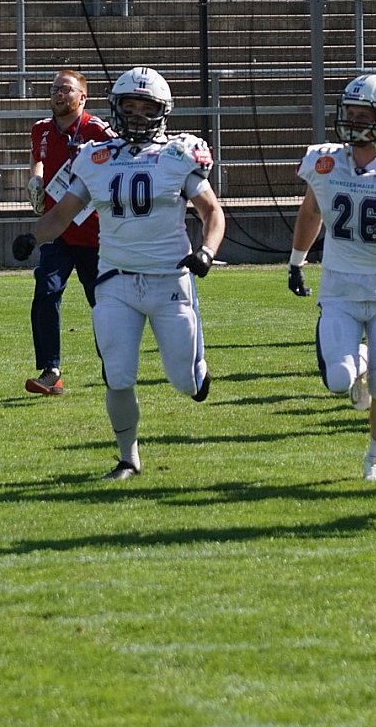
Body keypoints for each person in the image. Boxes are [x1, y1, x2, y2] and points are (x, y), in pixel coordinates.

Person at [12, 66, 225, 478]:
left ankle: (197, 373)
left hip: (168, 279)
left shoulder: (178, 155)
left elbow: (212, 212)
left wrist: (207, 251)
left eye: (147, 109)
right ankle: (128, 458)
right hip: (115, 280)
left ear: (163, 112)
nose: (137, 116)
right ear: (116, 109)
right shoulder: (97, 157)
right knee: (118, 373)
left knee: (184, 382)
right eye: (129, 108)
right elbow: (62, 215)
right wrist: (33, 237)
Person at [288, 74, 376, 480]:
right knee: (338, 380)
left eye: (363, 114)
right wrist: (297, 261)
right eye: (349, 112)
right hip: (340, 289)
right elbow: (311, 211)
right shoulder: (324, 161)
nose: (352, 121)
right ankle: (362, 362)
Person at [24, 70, 114, 396]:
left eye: (66, 89)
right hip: (57, 229)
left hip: (95, 234)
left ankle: (112, 363)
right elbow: (38, 157)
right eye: (54, 90)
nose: (59, 94)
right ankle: (51, 371)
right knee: (45, 293)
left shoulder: (99, 130)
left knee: (102, 302)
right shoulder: (41, 130)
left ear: (83, 97)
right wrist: (35, 178)